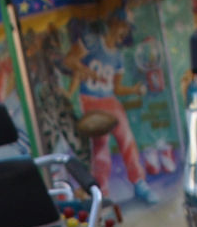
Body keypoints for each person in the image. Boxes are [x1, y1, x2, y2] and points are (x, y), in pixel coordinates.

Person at [64, 14, 156, 204]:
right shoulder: (92, 43)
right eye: (123, 26)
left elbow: (116, 88)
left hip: (109, 100)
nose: (125, 32)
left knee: (126, 137)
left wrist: (134, 90)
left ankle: (139, 182)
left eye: (127, 29)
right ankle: (102, 190)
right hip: (90, 99)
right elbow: (69, 60)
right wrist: (86, 71)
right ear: (114, 22)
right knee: (100, 145)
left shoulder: (118, 56)